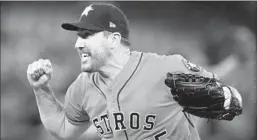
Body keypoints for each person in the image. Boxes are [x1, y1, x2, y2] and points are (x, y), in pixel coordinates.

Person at [26, 3, 243, 140]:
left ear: (114, 39)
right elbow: (64, 130)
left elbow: (231, 99)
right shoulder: (81, 88)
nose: (78, 44)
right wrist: (41, 89)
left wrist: (221, 100)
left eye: (87, 35)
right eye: (78, 36)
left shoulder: (166, 69)